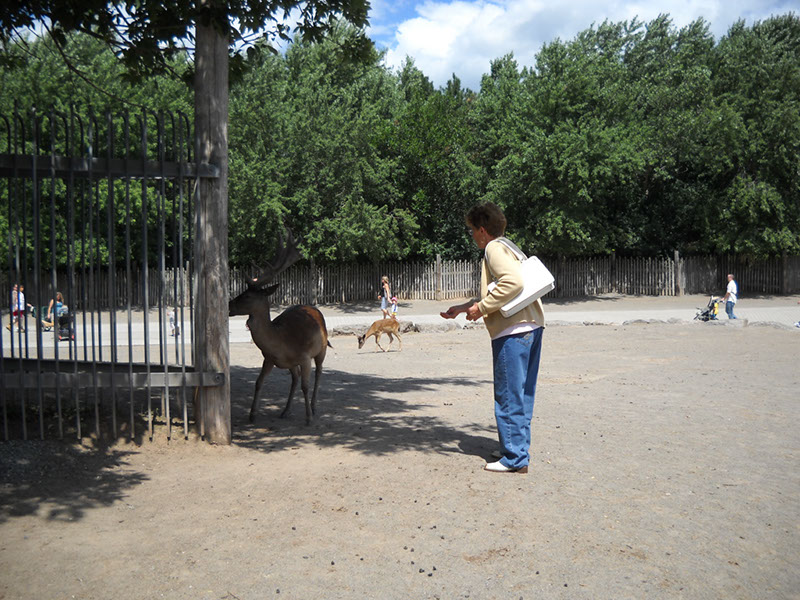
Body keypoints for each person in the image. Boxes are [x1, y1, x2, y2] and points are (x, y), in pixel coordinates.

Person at [441, 202, 545, 474]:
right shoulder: (509, 247)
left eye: (472, 230)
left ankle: (514, 459)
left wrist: (482, 308)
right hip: (532, 326)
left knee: (508, 394)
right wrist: (465, 307)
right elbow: (503, 289)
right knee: (522, 394)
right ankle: (516, 448)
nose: (472, 236)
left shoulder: (493, 248)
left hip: (512, 331)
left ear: (482, 230)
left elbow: (513, 283)